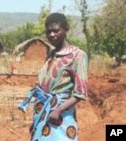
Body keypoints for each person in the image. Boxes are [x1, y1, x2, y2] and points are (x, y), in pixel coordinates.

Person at [18, 13, 88, 141]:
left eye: (56, 31)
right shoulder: (51, 54)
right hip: (42, 111)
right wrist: (37, 119)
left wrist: (58, 110)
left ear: (65, 29)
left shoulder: (77, 55)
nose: (51, 35)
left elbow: (80, 93)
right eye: (48, 31)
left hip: (60, 115)